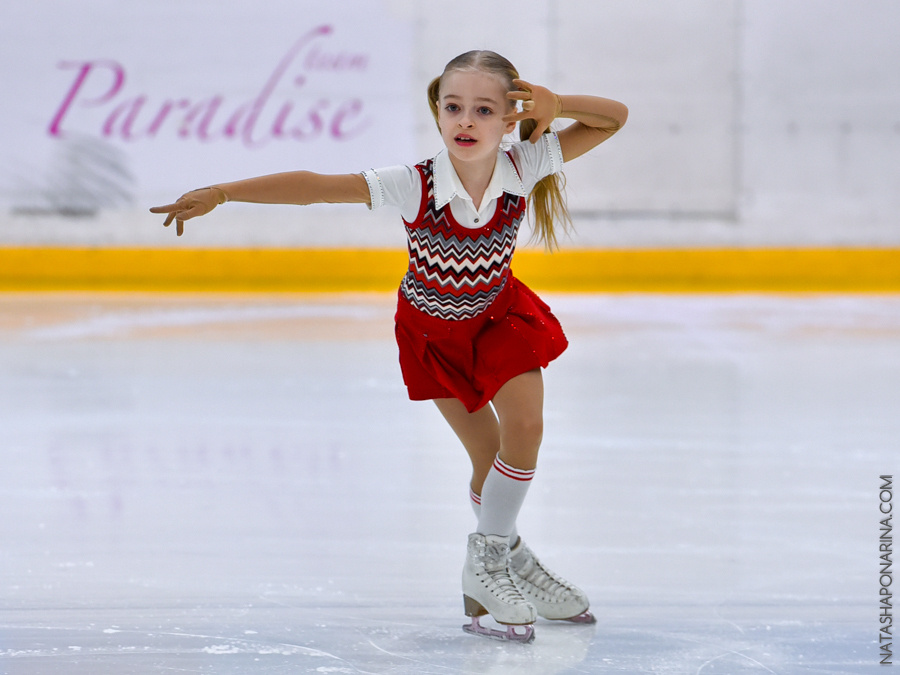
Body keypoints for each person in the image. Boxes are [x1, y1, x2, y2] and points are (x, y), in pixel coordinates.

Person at [151, 50, 627, 643]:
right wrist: (223, 192)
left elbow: (612, 117)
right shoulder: (415, 184)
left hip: (500, 319)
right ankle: (513, 560)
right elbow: (315, 189)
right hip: (434, 334)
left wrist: (560, 105)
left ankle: (486, 564)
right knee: (488, 461)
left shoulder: (525, 163)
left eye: (484, 109)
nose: (467, 120)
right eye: (453, 107)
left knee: (525, 428)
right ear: (436, 113)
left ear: (510, 117)